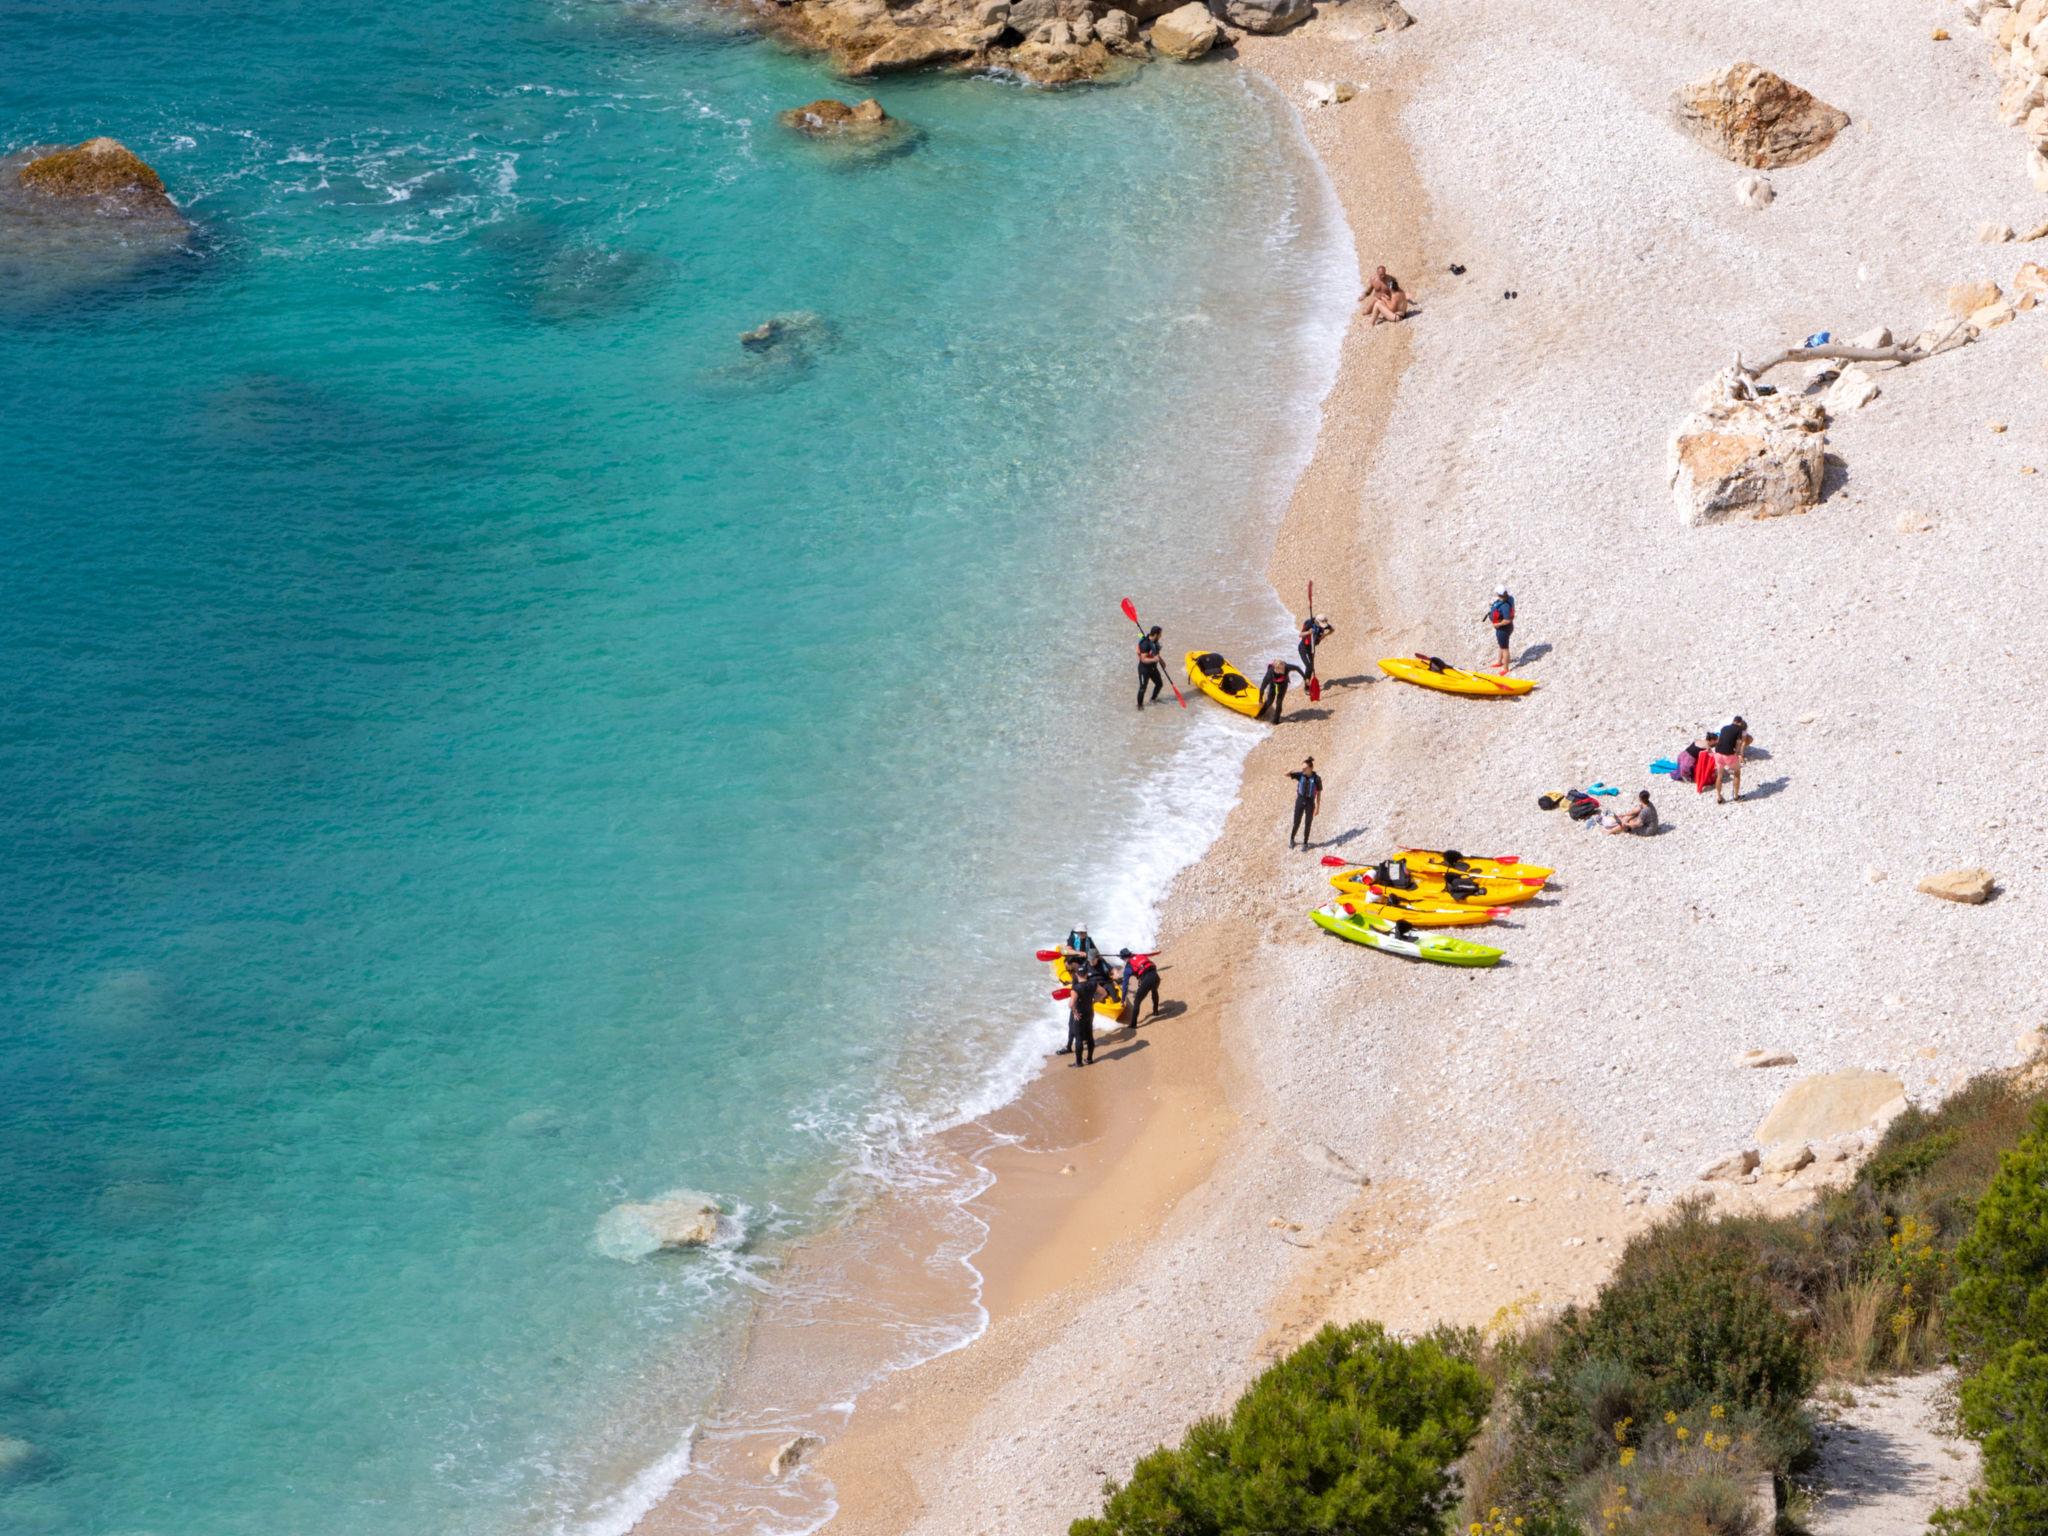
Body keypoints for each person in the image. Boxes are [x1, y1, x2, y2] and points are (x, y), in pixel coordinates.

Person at [1712, 716, 1751, 803]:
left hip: (1718, 753)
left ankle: (1719, 797)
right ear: (1740, 723)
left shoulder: (1724, 728)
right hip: (1728, 754)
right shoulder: (1739, 729)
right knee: (1737, 772)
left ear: (1733, 721)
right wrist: (1737, 753)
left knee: (1719, 775)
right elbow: (1739, 742)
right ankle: (1736, 797)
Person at [1118, 947, 1161, 1025]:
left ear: (1124, 958)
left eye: (1122, 959)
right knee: (1154, 990)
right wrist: (1158, 952)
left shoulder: (1128, 968)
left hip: (1147, 980)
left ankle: (1133, 1025)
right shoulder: (1139, 955)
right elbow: (1150, 954)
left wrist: (1123, 999)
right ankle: (1156, 1011)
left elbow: (1125, 985)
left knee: (1137, 1001)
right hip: (1156, 977)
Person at [1287, 757, 1322, 849]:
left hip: (1310, 803)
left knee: (1308, 823)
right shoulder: (1300, 775)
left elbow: (1319, 794)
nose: (1302, 770)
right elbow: (1286, 774)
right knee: (1296, 822)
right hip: (1300, 800)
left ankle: (1305, 843)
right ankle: (1292, 839)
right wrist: (1291, 769)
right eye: (1302, 768)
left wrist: (1318, 808)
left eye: (1305, 768)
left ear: (1310, 768)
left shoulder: (1317, 779)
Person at [1066, 969, 1098, 1067]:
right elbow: (1104, 993)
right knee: (1089, 1036)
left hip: (1080, 1015)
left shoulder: (1076, 988)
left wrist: (1075, 1012)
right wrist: (1094, 1001)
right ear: (1086, 974)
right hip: (1089, 1012)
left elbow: (1071, 1004)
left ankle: (1078, 1062)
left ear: (1077, 974)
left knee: (1079, 1039)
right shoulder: (1093, 984)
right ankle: (1089, 1059)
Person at [1482, 585, 1515, 674]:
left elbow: (1507, 620)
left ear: (1499, 594)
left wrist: (1498, 624)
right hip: (1505, 628)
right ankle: (1499, 662)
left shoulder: (1504, 606)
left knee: (1505, 648)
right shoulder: (1509, 598)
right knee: (1501, 645)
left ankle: (1506, 668)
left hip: (1503, 629)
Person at [1136, 625, 1165, 710]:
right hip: (1144, 669)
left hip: (1153, 669)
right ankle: (1139, 705)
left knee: (1159, 684)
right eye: (1160, 634)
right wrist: (1154, 660)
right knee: (1143, 688)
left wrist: (1161, 661)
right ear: (1155, 634)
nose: (1161, 636)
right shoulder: (1145, 644)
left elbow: (1156, 654)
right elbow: (1143, 659)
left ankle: (1153, 699)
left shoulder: (1156, 642)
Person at [1297, 615, 1334, 681]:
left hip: (1312, 648)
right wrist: (1308, 632)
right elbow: (1300, 634)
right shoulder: (1309, 624)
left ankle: (1307, 680)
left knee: (1311, 667)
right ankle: (1307, 684)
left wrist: (1324, 635)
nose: (1322, 626)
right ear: (1317, 622)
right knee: (1309, 667)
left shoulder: (1324, 625)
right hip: (1303, 648)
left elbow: (1332, 630)